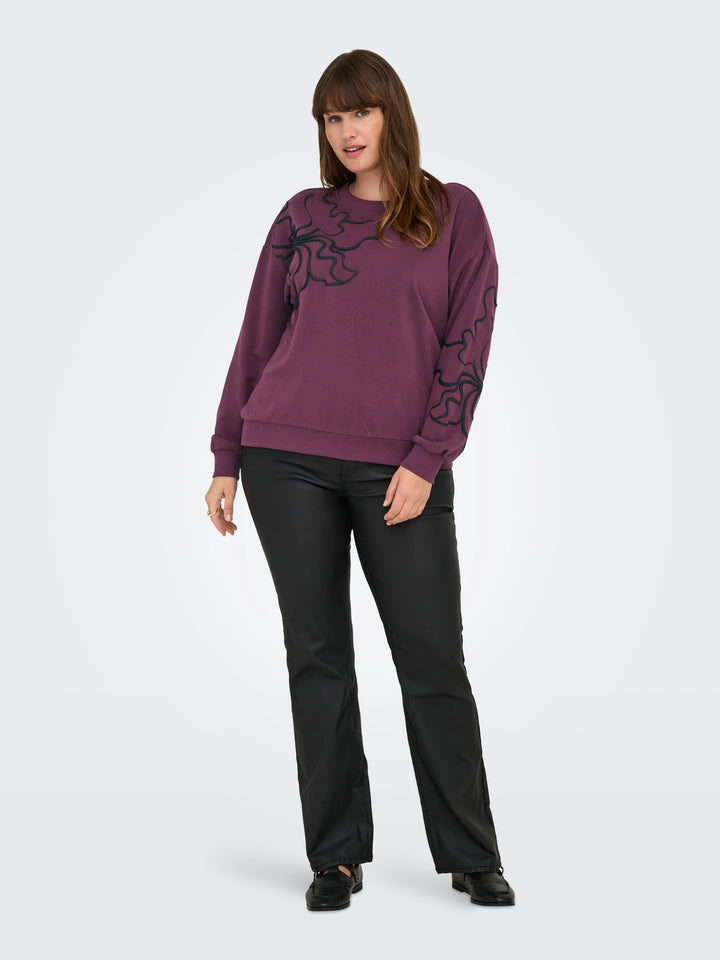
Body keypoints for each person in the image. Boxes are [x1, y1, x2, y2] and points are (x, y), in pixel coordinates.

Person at [205, 49, 515, 911]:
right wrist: (227, 454)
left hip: (402, 467)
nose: (346, 130)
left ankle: (472, 852)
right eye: (332, 117)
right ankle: (336, 856)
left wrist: (427, 457)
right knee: (318, 658)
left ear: (392, 115)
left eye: (360, 112)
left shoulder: (454, 213)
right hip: (285, 457)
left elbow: (469, 342)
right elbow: (257, 339)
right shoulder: (303, 217)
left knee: (432, 656)